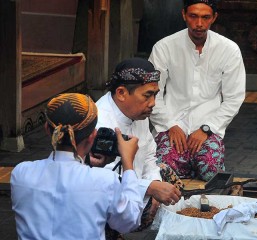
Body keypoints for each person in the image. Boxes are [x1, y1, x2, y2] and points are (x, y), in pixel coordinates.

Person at [11, 93, 181, 240]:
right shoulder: (104, 181)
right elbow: (129, 221)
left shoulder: (21, 173)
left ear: (47, 130)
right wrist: (128, 162)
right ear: (93, 136)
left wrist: (88, 163)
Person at [148, 0, 246, 181]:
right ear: (184, 15)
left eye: (205, 17)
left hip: (208, 125)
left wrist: (207, 129)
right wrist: (170, 124)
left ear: (214, 18)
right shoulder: (164, 47)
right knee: (164, 171)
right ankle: (186, 165)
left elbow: (234, 98)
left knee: (212, 171)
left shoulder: (229, 49)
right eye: (193, 16)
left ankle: (193, 165)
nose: (199, 24)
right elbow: (152, 92)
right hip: (172, 124)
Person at [92, 58, 184, 236]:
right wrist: (149, 188)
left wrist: (155, 182)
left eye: (155, 95)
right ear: (121, 93)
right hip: (100, 199)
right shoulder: (99, 125)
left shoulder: (138, 112)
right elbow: (101, 182)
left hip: (133, 185)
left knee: (169, 178)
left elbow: (150, 155)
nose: (153, 103)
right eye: (147, 95)